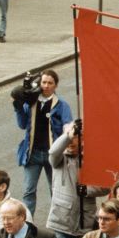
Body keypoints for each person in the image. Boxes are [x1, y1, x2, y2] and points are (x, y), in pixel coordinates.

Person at [13, 68, 73, 216]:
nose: (46, 86)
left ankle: (57, 221)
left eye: (50, 83)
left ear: (55, 86)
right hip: (32, 153)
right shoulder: (31, 103)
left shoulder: (61, 105)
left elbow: (68, 127)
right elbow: (21, 125)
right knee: (29, 191)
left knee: (55, 190)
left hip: (52, 155)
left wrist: (68, 135)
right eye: (43, 82)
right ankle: (27, 223)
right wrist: (18, 107)